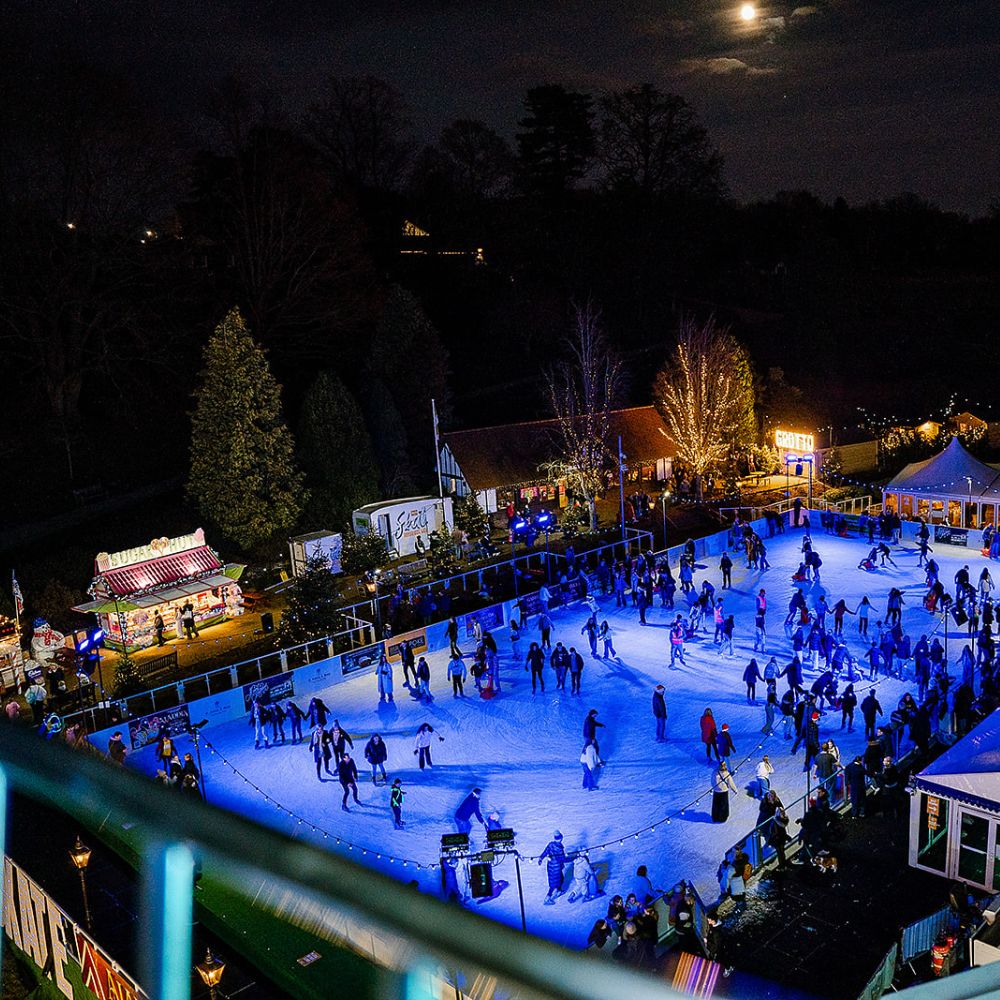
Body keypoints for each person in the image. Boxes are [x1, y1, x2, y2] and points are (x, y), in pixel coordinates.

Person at [538, 831, 567, 903]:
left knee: (561, 878)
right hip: (556, 868)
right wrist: (574, 858)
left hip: (551, 866)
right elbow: (563, 859)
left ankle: (558, 891)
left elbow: (545, 851)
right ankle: (547, 898)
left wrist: (541, 858)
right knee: (553, 884)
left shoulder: (550, 844)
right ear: (561, 838)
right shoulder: (560, 849)